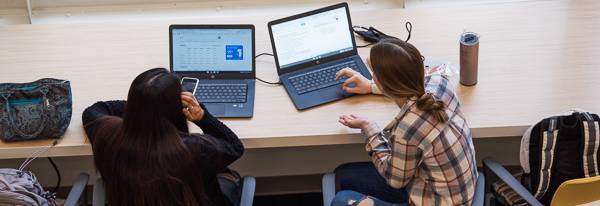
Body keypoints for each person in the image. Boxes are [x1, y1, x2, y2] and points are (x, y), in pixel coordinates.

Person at [330, 39, 478, 206]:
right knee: (343, 175)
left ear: (385, 84)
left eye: (374, 75)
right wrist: (370, 86)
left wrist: (369, 128)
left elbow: (394, 181)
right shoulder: (440, 82)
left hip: (438, 201)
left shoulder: (407, 129)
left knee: (340, 200)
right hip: (460, 190)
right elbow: (410, 88)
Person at [82, 68, 244, 206]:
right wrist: (203, 117)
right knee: (229, 179)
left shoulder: (108, 134)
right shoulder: (196, 149)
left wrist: (143, 108)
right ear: (175, 107)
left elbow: (94, 111)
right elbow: (234, 146)